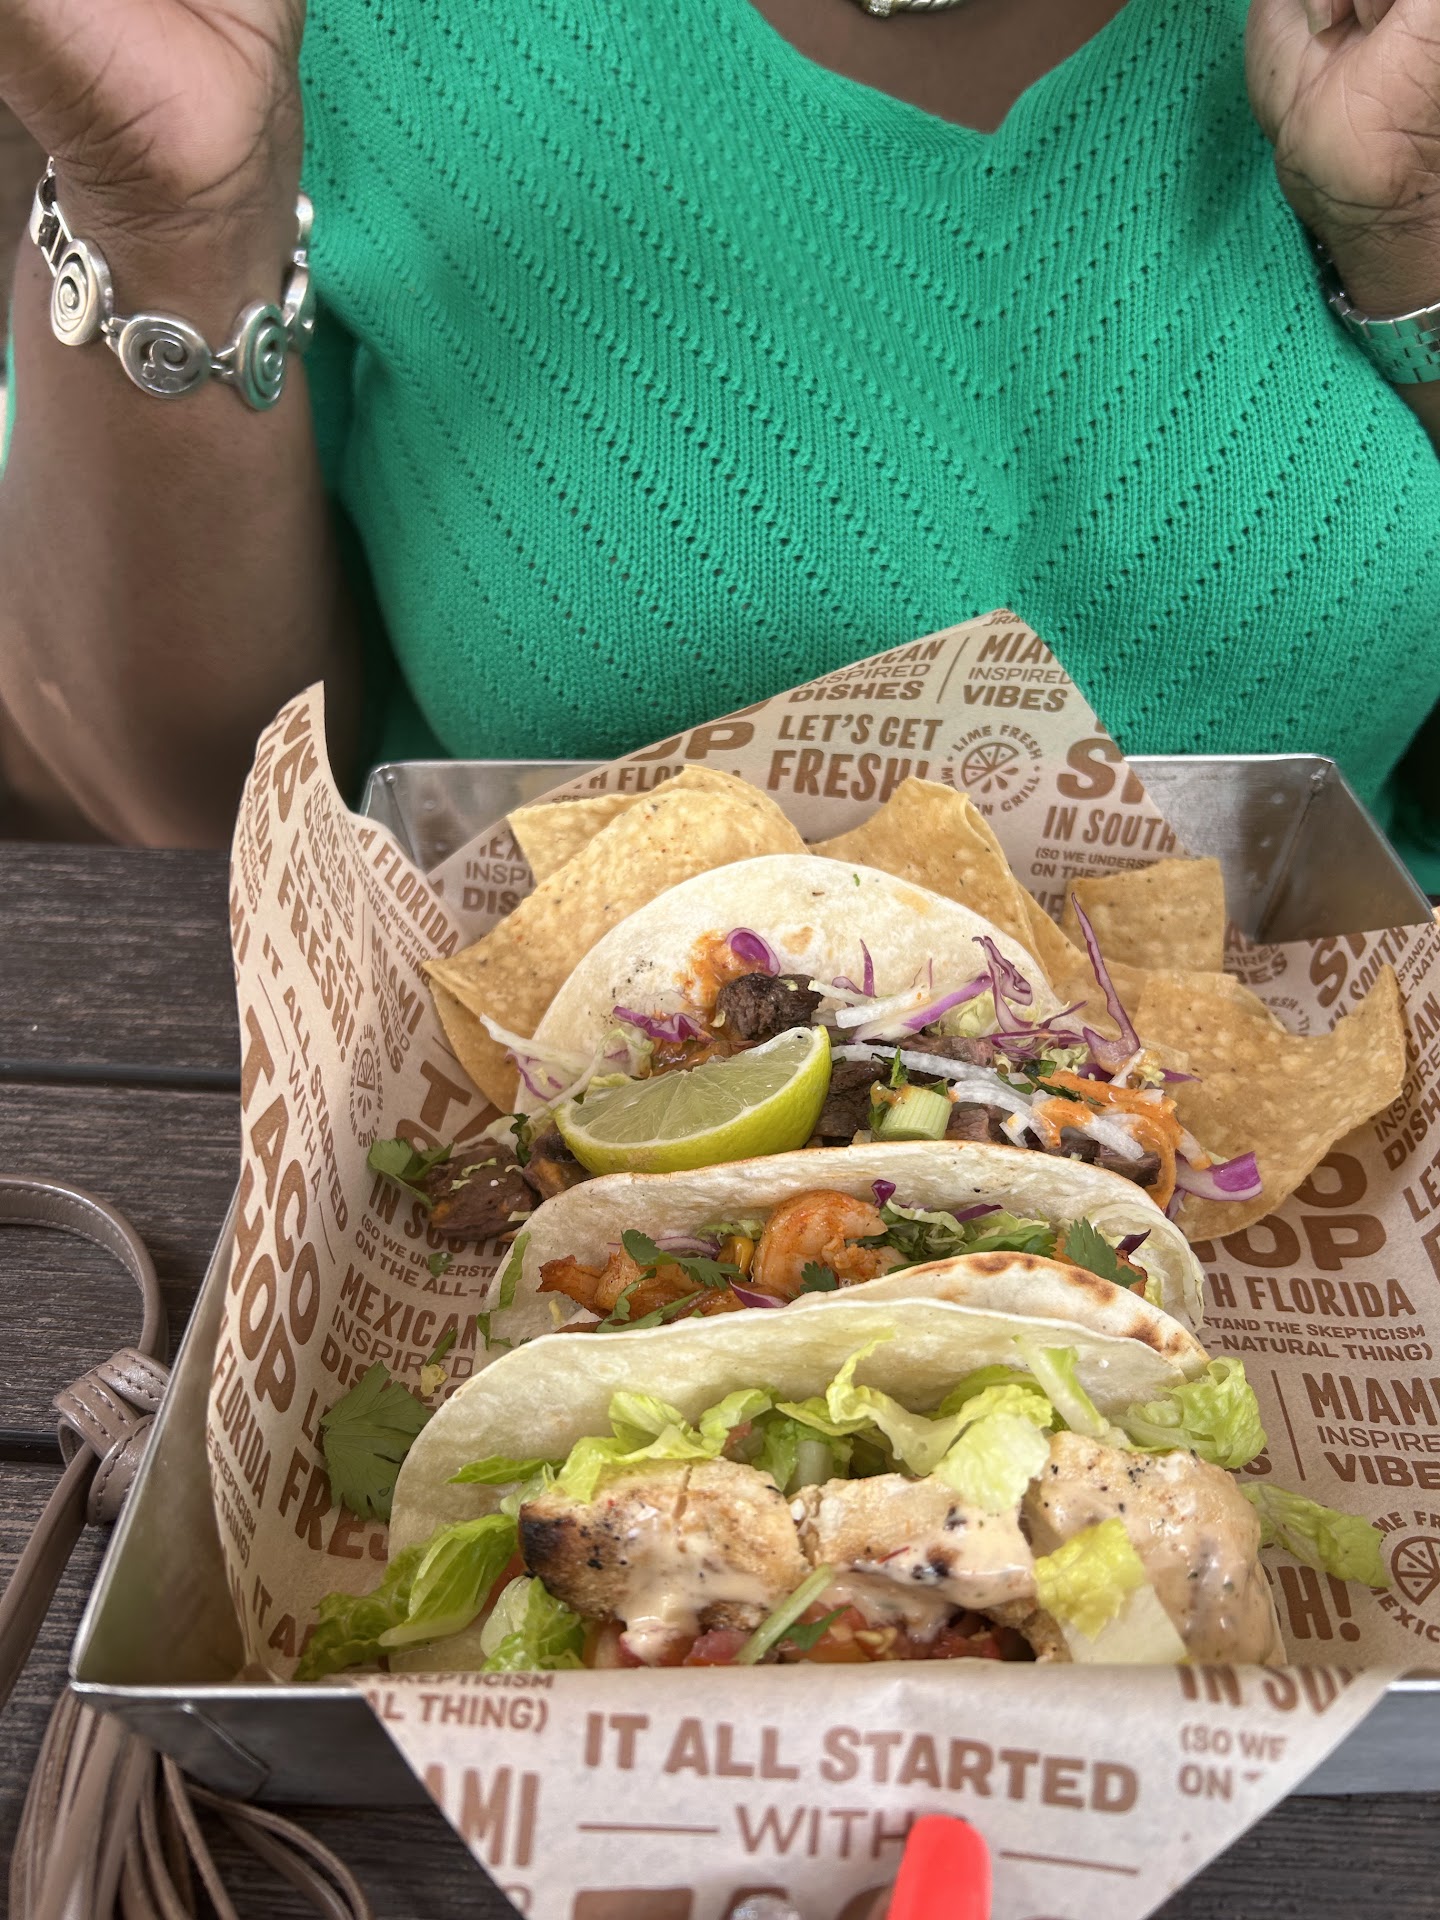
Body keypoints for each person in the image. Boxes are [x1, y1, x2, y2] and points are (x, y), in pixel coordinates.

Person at [0, 0, 1437, 879]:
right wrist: (175, 219)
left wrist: (1412, 237)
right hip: (553, 1176)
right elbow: (191, 809)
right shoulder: (322, 30)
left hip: (1341, 1202)